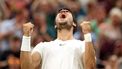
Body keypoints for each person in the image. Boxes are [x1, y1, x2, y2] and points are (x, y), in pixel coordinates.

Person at [20, 8, 96, 69]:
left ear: (74, 23)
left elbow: (90, 67)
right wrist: (26, 37)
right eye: (60, 11)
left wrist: (87, 35)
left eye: (67, 11)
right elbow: (26, 68)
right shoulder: (43, 46)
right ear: (55, 25)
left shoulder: (83, 45)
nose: (63, 11)